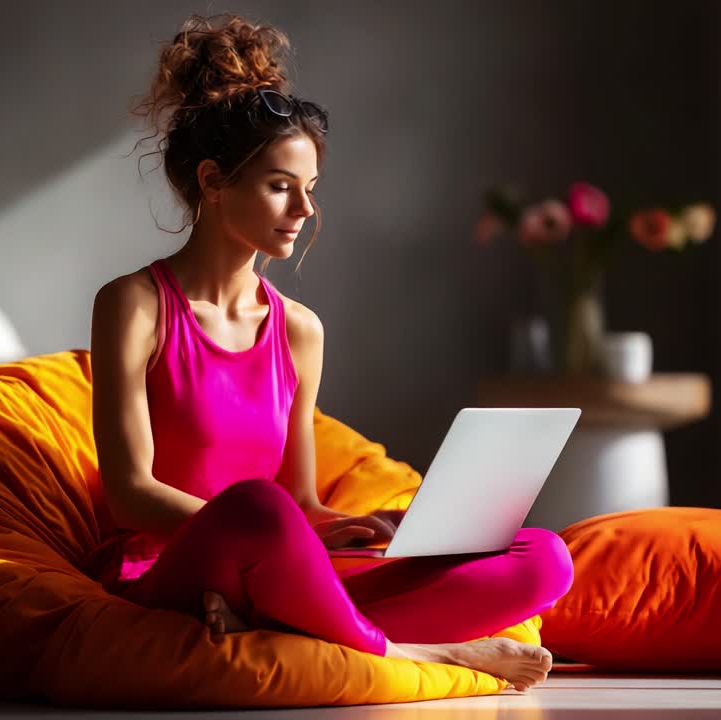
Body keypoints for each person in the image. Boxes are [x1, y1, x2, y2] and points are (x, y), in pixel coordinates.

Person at [88, 14, 572, 693]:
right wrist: (277, 534)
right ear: (213, 182)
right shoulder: (134, 304)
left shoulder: (298, 331)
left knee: (540, 558)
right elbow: (132, 496)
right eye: (282, 186)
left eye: (310, 189)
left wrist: (362, 527)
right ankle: (417, 655)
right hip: (175, 570)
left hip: (277, 574)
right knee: (253, 509)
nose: (304, 209)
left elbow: (300, 501)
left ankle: (285, 627)